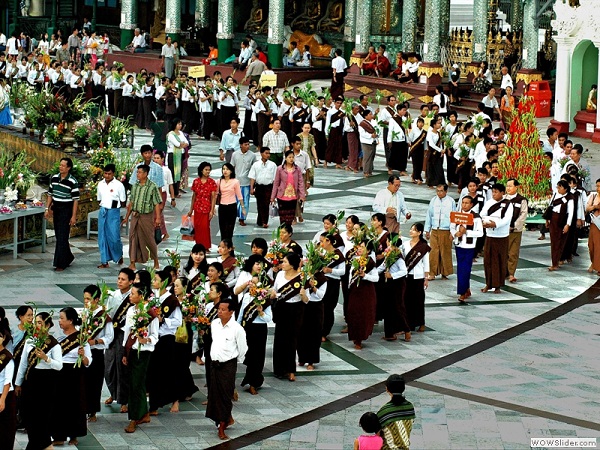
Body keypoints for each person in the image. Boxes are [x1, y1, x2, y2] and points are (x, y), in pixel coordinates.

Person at [15, 312, 62, 450]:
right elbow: (24, 363)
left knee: (41, 417)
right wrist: (18, 383)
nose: (37, 325)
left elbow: (59, 366)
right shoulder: (30, 341)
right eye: (36, 322)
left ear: (47, 325)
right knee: (28, 415)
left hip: (46, 382)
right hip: (31, 380)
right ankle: (46, 446)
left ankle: (36, 445)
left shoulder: (53, 344)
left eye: (40, 323)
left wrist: (46, 358)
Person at [206, 296, 247, 440]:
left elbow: (243, 348)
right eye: (219, 309)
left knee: (224, 396)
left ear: (231, 312)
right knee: (215, 395)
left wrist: (235, 361)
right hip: (214, 364)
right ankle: (225, 418)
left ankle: (222, 426)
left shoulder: (237, 329)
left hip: (228, 365)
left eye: (223, 310)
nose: (220, 312)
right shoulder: (214, 324)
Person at [122, 282, 159, 433]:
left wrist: (146, 340)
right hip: (132, 350)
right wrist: (125, 352)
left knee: (135, 384)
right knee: (135, 383)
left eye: (132, 294)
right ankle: (144, 413)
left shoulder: (151, 313)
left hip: (143, 352)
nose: (130, 296)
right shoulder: (131, 310)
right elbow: (127, 332)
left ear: (141, 296)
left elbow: (155, 336)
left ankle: (134, 418)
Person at [52, 307, 92, 446]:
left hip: (75, 372)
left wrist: (83, 356)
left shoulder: (81, 337)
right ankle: (59, 435)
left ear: (70, 320)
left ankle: (74, 434)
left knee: (75, 403)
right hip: (60, 370)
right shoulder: (57, 335)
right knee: (59, 403)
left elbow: (88, 362)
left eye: (62, 318)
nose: (59, 321)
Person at [234, 254, 272, 394]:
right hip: (248, 327)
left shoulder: (264, 299)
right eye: (256, 263)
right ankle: (250, 379)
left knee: (258, 355)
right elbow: (241, 314)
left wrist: (261, 313)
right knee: (249, 354)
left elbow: (269, 318)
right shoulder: (246, 296)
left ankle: (254, 382)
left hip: (260, 328)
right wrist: (238, 327)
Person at [147, 270, 183, 415]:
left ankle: (175, 399)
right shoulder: (153, 298)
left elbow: (178, 321)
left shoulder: (171, 300)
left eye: (156, 280)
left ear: (164, 283)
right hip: (154, 338)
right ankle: (154, 405)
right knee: (154, 372)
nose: (153, 282)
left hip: (166, 339)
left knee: (168, 370)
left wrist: (164, 320)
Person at [270, 253, 306, 380]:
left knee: (292, 339)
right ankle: (279, 369)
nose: (282, 264)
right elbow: (274, 290)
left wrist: (303, 295)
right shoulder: (280, 275)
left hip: (296, 310)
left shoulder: (301, 278)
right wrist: (272, 294)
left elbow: (307, 300)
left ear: (292, 264)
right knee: (280, 338)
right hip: (282, 308)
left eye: (284, 262)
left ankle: (291, 370)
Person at [104, 268, 135, 413]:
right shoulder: (113, 295)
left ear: (131, 281)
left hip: (125, 334)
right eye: (118, 279)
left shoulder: (133, 296)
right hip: (112, 333)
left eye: (123, 279)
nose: (120, 282)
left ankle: (124, 400)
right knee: (109, 365)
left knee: (123, 367)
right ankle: (112, 393)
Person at [83, 285, 114, 422]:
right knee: (83, 382)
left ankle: (93, 411)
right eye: (84, 298)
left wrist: (95, 342)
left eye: (88, 299)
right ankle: (82, 408)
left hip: (96, 353)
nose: (85, 301)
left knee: (94, 383)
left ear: (96, 299)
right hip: (83, 353)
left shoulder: (103, 317)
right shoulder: (83, 313)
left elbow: (109, 337)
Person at [122, 164, 162, 270]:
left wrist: (158, 218)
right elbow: (131, 201)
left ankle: (156, 261)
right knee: (133, 238)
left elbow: (157, 203)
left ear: (145, 174)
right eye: (137, 172)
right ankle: (132, 262)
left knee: (149, 238)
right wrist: (127, 217)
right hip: (135, 215)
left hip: (146, 216)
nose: (138, 174)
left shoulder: (152, 186)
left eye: (140, 172)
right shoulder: (135, 186)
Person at [45, 157, 79, 272]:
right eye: (60, 165)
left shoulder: (73, 181)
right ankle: (68, 257)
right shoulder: (54, 178)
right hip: (57, 209)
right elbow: (50, 194)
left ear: (68, 168)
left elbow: (75, 200)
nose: (61, 167)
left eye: (63, 165)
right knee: (59, 235)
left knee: (63, 236)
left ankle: (60, 263)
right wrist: (47, 208)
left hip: (66, 210)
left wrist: (73, 216)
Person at [480, 183, 513, 292]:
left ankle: (498, 285)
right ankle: (488, 283)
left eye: (496, 192)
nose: (494, 194)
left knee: (499, 260)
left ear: (502, 193)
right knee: (488, 260)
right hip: (490, 235)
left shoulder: (508, 204)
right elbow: (482, 214)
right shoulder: (489, 203)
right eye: (492, 192)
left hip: (501, 236)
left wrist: (495, 224)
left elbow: (506, 219)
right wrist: (485, 222)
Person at [450, 196, 483, 302]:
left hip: (469, 246)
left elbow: (480, 233)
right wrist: (456, 233)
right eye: (463, 203)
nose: (464, 205)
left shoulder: (476, 217)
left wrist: (466, 232)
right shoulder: (457, 215)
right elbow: (451, 227)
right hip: (459, 245)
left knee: (465, 269)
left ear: (471, 204)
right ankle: (466, 288)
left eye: (467, 203)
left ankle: (462, 292)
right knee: (461, 268)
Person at [347, 239, 378, 349]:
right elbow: (350, 275)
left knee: (363, 315)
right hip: (355, 291)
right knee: (353, 313)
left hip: (366, 292)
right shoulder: (355, 260)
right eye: (359, 246)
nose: (359, 248)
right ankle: (354, 336)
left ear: (368, 250)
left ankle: (359, 339)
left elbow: (376, 278)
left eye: (362, 247)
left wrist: (365, 276)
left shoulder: (370, 262)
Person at [96, 163, 126, 269]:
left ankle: (118, 255)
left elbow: (123, 201)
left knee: (114, 237)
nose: (107, 176)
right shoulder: (100, 184)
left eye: (109, 174)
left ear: (113, 173)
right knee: (102, 237)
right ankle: (104, 261)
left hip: (113, 212)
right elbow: (99, 199)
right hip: (103, 210)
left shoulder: (119, 185)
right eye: (105, 173)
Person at [424, 184, 456, 280]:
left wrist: (452, 231)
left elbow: (453, 218)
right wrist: (427, 230)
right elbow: (429, 215)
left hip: (446, 230)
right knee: (433, 251)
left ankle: (445, 272)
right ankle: (432, 273)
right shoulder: (433, 201)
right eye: (437, 191)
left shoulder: (451, 202)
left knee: (445, 251)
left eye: (441, 191)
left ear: (446, 191)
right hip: (435, 229)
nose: (439, 193)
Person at [377, 374, 416, 450]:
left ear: (387, 389)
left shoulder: (384, 411)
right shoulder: (409, 407)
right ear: (403, 388)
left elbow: (377, 434)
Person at [403, 223, 430, 331]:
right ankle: (409, 323)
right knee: (407, 300)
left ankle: (420, 322)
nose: (411, 231)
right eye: (411, 229)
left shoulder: (423, 246)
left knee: (418, 300)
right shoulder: (405, 244)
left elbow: (426, 263)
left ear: (419, 233)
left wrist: (426, 278)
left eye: (414, 230)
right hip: (406, 275)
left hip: (418, 277)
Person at [319, 232, 346, 341]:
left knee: (328, 308)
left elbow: (343, 271)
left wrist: (331, 270)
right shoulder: (321, 252)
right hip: (321, 282)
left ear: (328, 241)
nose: (320, 244)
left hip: (332, 283)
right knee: (320, 307)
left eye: (322, 241)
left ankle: (325, 332)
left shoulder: (338, 254)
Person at [271, 150, 306, 226]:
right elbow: (276, 183)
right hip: (282, 196)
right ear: (285, 158)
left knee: (290, 216)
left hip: (293, 197)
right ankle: (282, 231)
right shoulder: (280, 169)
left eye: (293, 157)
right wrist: (272, 197)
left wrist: (302, 195)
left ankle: (288, 232)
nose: (291, 159)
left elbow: (301, 183)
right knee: (283, 216)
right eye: (289, 157)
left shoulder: (297, 169)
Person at [188, 161, 218, 249]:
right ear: (201, 170)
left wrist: (212, 210)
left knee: (205, 228)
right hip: (197, 208)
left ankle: (206, 246)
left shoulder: (211, 182)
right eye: (206, 170)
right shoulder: (196, 182)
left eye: (209, 170)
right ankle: (198, 245)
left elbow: (213, 197)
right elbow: (194, 196)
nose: (208, 172)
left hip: (206, 208)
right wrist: (191, 209)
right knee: (197, 227)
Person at [547, 180, 573, 272]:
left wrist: (567, 225)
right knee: (553, 241)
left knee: (559, 242)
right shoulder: (555, 195)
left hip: (562, 220)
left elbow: (570, 213)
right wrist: (548, 219)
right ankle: (554, 262)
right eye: (558, 186)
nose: (558, 188)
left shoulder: (570, 198)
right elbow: (550, 207)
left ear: (565, 188)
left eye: (560, 187)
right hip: (553, 219)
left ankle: (556, 262)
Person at [230, 137, 257, 227]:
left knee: (245, 201)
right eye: (245, 144)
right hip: (236, 182)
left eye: (248, 144)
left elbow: (254, 169)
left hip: (246, 182)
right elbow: (232, 167)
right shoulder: (235, 154)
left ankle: (242, 218)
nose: (248, 146)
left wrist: (253, 184)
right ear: (241, 145)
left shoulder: (252, 155)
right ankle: (235, 215)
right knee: (236, 201)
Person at [506, 179, 528, 283]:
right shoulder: (503, 199)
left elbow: (523, 214)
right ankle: (503, 272)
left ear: (516, 187)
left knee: (513, 252)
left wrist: (514, 226)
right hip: (503, 230)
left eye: (510, 186)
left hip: (515, 231)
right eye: (507, 186)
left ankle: (511, 273)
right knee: (503, 252)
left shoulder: (521, 200)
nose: (508, 188)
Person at [250, 147, 277, 228]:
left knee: (266, 204)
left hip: (268, 187)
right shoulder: (256, 165)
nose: (268, 155)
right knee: (260, 204)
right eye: (266, 153)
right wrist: (251, 188)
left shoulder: (273, 165)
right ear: (261, 153)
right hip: (259, 186)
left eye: (269, 153)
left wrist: (275, 191)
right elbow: (252, 177)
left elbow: (275, 179)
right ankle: (260, 221)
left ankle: (264, 221)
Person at [0, 314, 16, 450]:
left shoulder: (7, 357)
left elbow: (7, 380)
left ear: (3, 338)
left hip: (5, 395)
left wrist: (2, 399)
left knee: (5, 429)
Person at [217, 163, 245, 240]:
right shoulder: (219, 181)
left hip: (232, 206)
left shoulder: (235, 182)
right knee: (222, 228)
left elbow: (239, 195)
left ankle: (229, 245)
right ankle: (223, 245)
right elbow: (216, 194)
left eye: (227, 169)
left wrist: (243, 208)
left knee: (230, 228)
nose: (225, 171)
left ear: (231, 171)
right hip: (222, 206)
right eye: (224, 169)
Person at [167, 119, 189, 198]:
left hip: (181, 155)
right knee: (173, 173)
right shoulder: (171, 134)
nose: (180, 125)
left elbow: (187, 143)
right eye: (178, 124)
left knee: (178, 173)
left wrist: (181, 144)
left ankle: (176, 190)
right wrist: (181, 144)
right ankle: (172, 191)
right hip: (173, 155)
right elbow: (177, 144)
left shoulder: (181, 133)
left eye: (181, 124)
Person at [325, 96, 346, 169]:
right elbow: (327, 122)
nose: (339, 104)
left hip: (339, 130)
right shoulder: (330, 112)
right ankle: (326, 161)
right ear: (334, 103)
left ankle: (338, 162)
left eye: (340, 103)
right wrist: (326, 132)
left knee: (339, 147)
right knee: (330, 146)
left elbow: (343, 122)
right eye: (337, 103)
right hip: (333, 130)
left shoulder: (342, 112)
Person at [426, 115, 446, 187]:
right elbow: (431, 144)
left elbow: (440, 142)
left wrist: (441, 151)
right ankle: (430, 183)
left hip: (438, 154)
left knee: (439, 168)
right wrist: (440, 150)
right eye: (438, 123)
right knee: (431, 167)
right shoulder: (430, 133)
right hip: (432, 153)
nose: (439, 124)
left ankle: (439, 182)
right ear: (434, 125)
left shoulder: (439, 133)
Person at [358, 109, 378, 178]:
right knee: (366, 157)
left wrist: (377, 134)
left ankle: (370, 170)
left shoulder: (374, 122)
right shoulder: (362, 124)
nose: (371, 115)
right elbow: (362, 133)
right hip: (366, 142)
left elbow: (377, 129)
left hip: (373, 141)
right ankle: (365, 171)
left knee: (372, 156)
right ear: (366, 116)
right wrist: (370, 135)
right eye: (370, 114)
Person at [586, 179, 600, 275]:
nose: (598, 188)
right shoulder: (593, 195)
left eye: (599, 186)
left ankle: (598, 266)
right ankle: (593, 262)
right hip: (594, 223)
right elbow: (587, 208)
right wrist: (595, 207)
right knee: (591, 245)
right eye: (597, 186)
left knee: (599, 246)